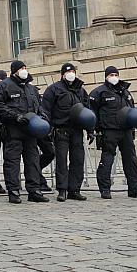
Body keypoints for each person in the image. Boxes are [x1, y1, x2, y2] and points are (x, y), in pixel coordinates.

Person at [89, 66, 137, 200]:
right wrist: (97, 129)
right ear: (106, 76)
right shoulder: (99, 92)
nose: (114, 76)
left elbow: (132, 109)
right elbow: (92, 112)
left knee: (131, 159)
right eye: (111, 74)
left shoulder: (125, 92)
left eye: (116, 74)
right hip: (109, 130)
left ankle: (134, 188)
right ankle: (105, 189)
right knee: (107, 159)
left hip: (126, 130)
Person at [0, 60, 48, 204]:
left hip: (31, 131)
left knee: (33, 161)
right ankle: (14, 190)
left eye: (25, 67)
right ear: (14, 71)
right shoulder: (4, 86)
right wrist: (15, 116)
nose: (24, 70)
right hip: (13, 130)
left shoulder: (31, 88)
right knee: (12, 162)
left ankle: (34, 190)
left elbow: (38, 105)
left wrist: (42, 116)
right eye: (21, 68)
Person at [41, 63, 90, 202]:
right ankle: (62, 190)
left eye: (73, 71)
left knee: (78, 160)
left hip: (77, 130)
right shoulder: (54, 89)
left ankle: (74, 189)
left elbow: (87, 109)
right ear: (62, 74)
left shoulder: (80, 90)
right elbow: (46, 110)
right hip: (61, 129)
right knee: (61, 161)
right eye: (68, 72)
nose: (71, 74)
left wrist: (90, 129)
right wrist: (48, 129)